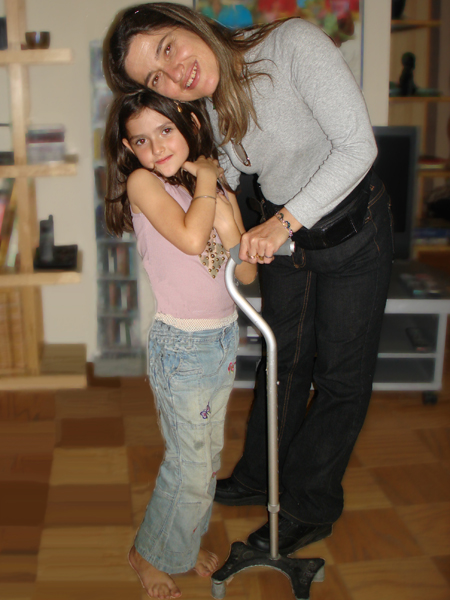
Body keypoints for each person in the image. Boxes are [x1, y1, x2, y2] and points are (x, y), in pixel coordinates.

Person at [104, 3, 394, 557]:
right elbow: (234, 169)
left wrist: (280, 220)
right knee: (281, 364)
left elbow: (359, 146)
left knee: (339, 377)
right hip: (288, 238)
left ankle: (309, 505)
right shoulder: (208, 104)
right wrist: (211, 192)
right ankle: (259, 477)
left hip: (353, 232)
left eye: (167, 48)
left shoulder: (292, 46)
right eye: (156, 79)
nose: (175, 76)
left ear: (186, 22)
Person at [104, 88, 256, 598]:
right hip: (183, 348)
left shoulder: (206, 192)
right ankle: (147, 553)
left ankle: (181, 547)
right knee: (187, 464)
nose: (156, 146)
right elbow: (192, 241)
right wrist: (210, 184)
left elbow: (247, 272)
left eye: (165, 130)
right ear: (130, 150)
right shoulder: (144, 184)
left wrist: (228, 213)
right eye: (141, 140)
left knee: (207, 460)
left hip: (221, 340)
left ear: (189, 120)